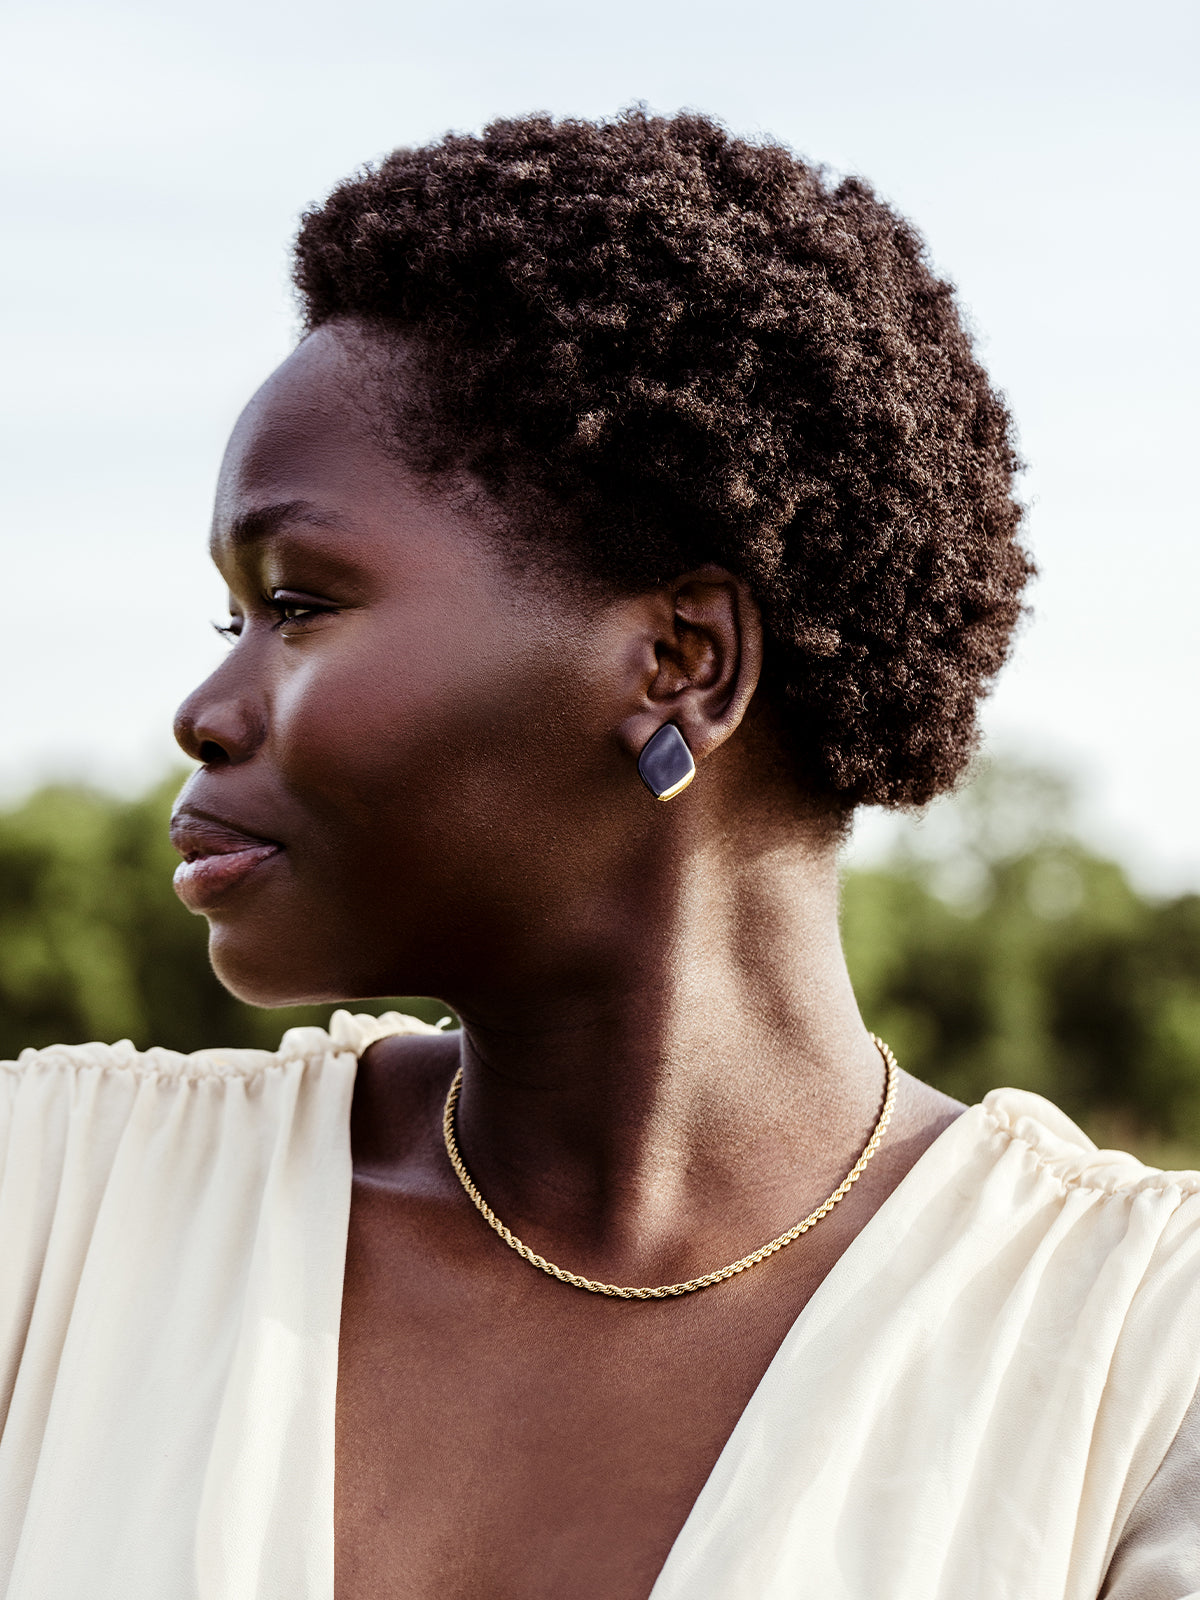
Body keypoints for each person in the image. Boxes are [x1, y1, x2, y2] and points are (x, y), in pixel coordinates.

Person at [1, 108, 1197, 1600]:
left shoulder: (1141, 1365)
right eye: (226, 622)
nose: (205, 712)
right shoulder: (54, 1215)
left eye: (300, 604)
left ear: (680, 661)